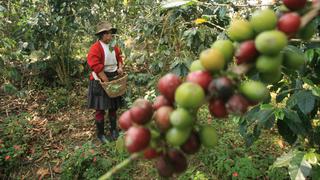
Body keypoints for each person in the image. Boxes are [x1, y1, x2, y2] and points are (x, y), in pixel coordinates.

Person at [87, 21, 124, 144]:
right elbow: (96, 66)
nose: (110, 36)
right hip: (100, 78)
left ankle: (114, 130)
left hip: (113, 76)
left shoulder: (114, 45)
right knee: (100, 108)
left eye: (111, 33)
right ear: (101, 35)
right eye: (107, 34)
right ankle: (101, 134)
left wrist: (120, 67)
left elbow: (119, 57)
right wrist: (106, 81)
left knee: (113, 106)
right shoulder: (95, 48)